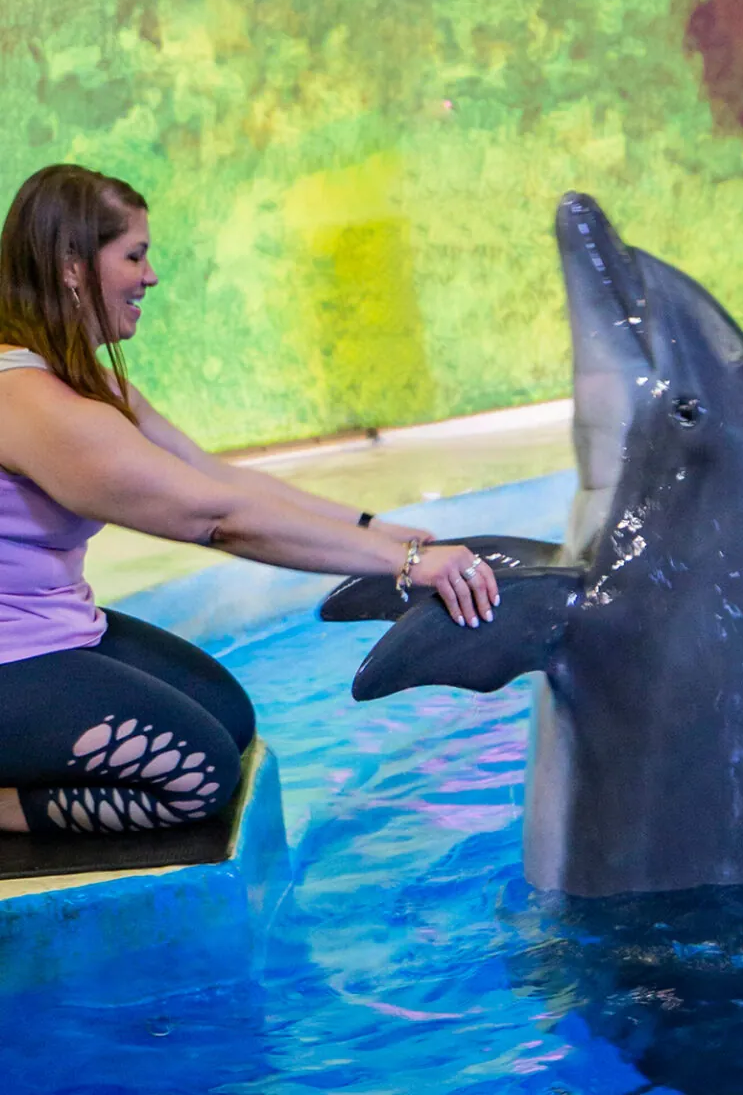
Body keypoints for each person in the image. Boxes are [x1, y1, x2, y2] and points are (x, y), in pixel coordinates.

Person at [0, 164, 499, 837]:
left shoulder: (80, 380)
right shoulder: (33, 403)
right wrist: (406, 563)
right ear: (71, 265)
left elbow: (217, 479)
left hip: (48, 635)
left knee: (229, 719)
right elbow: (217, 520)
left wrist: (380, 530)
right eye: (135, 255)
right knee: (197, 775)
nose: (151, 277)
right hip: (13, 661)